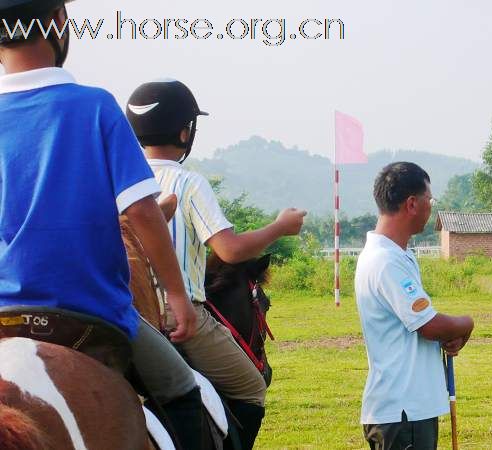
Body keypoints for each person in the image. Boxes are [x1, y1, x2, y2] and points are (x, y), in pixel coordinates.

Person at [0, 1, 205, 448]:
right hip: (90, 316)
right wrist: (175, 294)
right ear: (58, 23)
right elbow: (141, 211)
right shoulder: (94, 105)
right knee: (185, 392)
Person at [126, 79, 307, 449]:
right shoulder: (188, 183)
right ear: (184, 131)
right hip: (180, 316)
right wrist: (280, 227)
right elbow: (229, 251)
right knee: (251, 386)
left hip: (127, 313)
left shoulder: (119, 180)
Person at [355, 162, 474, 450]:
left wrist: (451, 335)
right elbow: (428, 325)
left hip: (410, 408)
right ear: (412, 204)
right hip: (401, 411)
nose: (430, 207)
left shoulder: (399, 255)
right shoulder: (385, 261)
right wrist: (466, 323)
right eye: (429, 200)